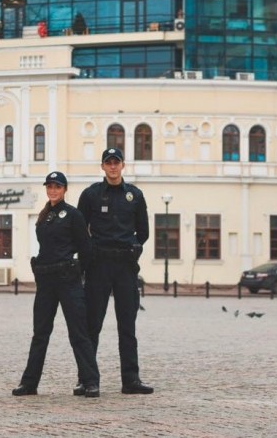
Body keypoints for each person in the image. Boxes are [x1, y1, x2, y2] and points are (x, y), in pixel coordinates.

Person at [12, 171, 100, 398]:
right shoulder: (44, 215)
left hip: (67, 281)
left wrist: (77, 271)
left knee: (78, 332)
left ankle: (90, 381)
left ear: (64, 189)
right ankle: (29, 383)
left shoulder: (73, 215)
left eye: (57, 186)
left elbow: (86, 249)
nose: (53, 190)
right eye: (50, 186)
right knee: (40, 333)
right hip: (46, 282)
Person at [76, 147, 153, 395]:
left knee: (127, 325)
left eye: (116, 162)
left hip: (125, 267)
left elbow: (144, 231)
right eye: (108, 162)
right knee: (92, 325)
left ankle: (131, 380)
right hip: (99, 265)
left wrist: (133, 247)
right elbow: (79, 229)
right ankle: (87, 380)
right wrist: (89, 252)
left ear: (122, 165)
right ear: (102, 166)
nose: (112, 166)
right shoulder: (90, 195)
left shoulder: (135, 195)